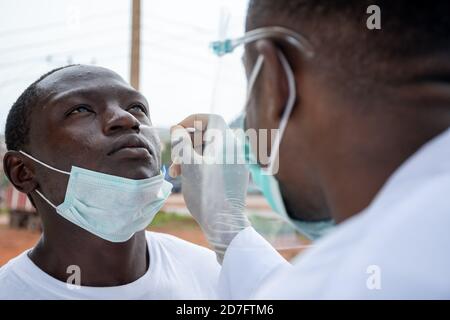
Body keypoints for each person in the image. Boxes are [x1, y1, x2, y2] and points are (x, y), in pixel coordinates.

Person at [170, 0, 450, 299]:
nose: (247, 130)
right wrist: (230, 233)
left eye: (251, 89)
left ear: (276, 79)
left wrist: (227, 230)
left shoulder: (359, 280)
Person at [0, 65, 220, 300]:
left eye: (137, 107)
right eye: (80, 110)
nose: (127, 119)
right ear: (22, 172)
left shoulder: (212, 276)